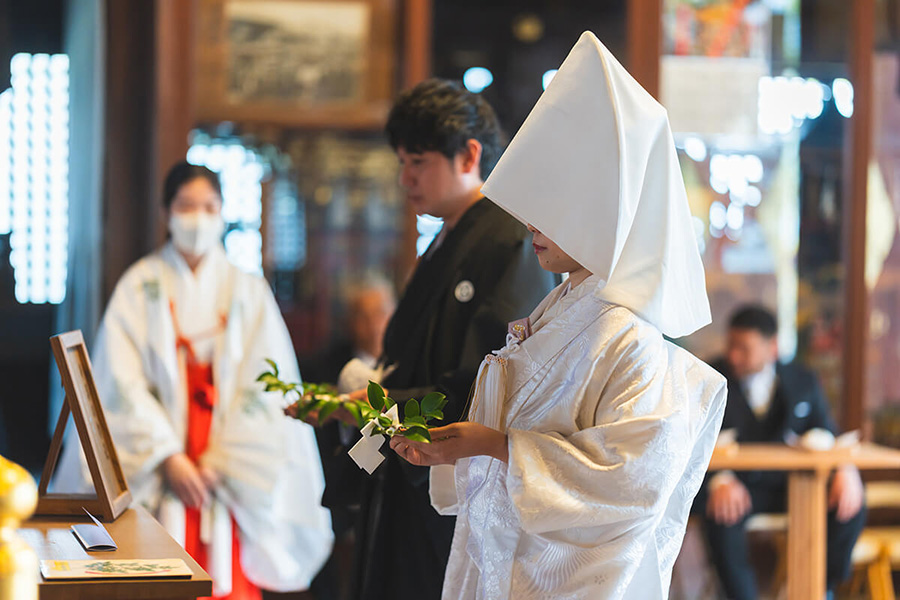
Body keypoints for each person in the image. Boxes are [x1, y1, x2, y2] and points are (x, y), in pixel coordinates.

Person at [391, 31, 728, 599]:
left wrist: (495, 446)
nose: (532, 222)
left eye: (553, 205)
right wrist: (464, 445)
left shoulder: (629, 338)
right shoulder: (560, 313)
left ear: (605, 212)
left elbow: (633, 480)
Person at [55, 162, 333, 599]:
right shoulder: (138, 286)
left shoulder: (248, 290)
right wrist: (167, 454)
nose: (198, 218)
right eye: (186, 206)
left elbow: (266, 383)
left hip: (225, 468)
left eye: (209, 207)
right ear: (166, 212)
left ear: (222, 212)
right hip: (161, 466)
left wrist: (220, 461)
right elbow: (119, 383)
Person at [347, 78, 558, 600]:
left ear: (469, 154)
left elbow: (490, 378)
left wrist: (383, 403)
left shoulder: (509, 237)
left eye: (418, 162)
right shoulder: (446, 236)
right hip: (406, 461)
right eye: (402, 162)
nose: (406, 178)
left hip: (449, 480)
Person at [698, 304, 865, 600]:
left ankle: (820, 587)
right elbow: (691, 442)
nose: (733, 356)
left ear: (772, 347)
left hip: (790, 486)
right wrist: (719, 479)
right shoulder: (708, 377)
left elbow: (829, 433)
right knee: (721, 513)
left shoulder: (802, 380)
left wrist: (845, 468)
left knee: (849, 502)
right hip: (736, 487)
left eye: (744, 348)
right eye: (731, 345)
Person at [298, 275, 397, 600]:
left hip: (392, 485)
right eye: (362, 315)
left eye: (380, 313)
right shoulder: (324, 368)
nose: (373, 325)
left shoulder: (405, 367)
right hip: (336, 482)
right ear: (349, 321)